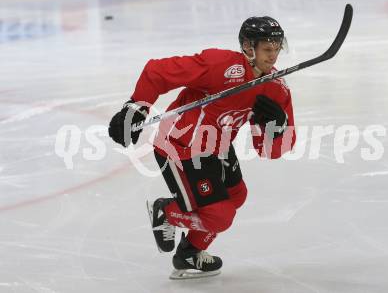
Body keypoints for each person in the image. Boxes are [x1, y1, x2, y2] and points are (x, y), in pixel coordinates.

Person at [108, 16, 296, 279]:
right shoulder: (220, 66)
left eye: (277, 47)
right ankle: (167, 212)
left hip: (217, 146)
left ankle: (189, 253)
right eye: (267, 48)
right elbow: (157, 71)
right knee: (220, 216)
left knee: (236, 196)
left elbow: (270, 150)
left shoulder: (275, 88)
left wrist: (277, 127)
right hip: (180, 145)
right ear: (248, 47)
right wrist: (136, 107)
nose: (273, 55)